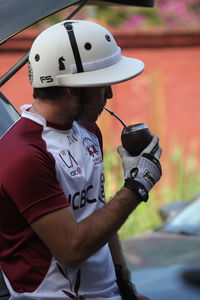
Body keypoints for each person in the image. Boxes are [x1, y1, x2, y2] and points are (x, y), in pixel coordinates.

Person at [0, 20, 162, 300]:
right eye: (103, 85)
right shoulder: (22, 154)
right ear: (73, 89)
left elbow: (97, 215)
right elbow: (71, 249)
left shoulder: (88, 130)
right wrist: (136, 186)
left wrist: (124, 285)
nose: (109, 95)